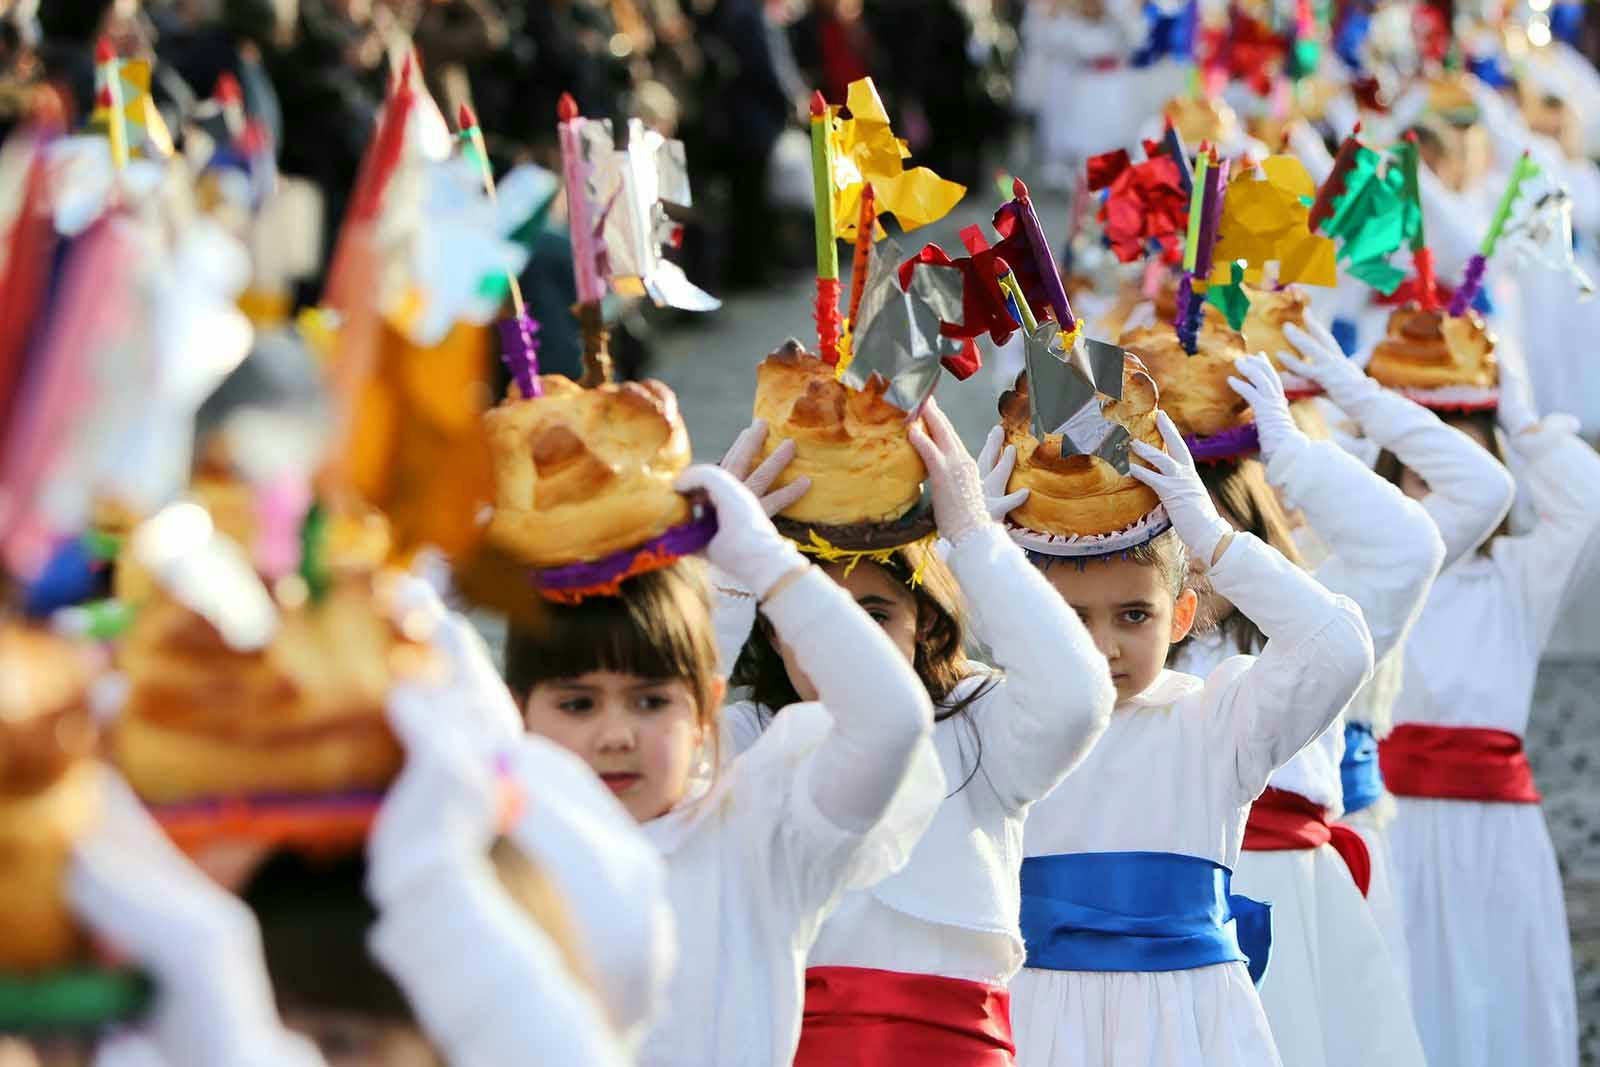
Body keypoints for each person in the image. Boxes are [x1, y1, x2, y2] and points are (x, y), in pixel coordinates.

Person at [715, 401, 1116, 1066]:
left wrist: (975, 539)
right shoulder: (745, 735)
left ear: (925, 623)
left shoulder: (977, 721)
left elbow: (1077, 698)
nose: (843, 644)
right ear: (772, 627)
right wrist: (727, 581)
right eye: (812, 612)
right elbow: (660, 746)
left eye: (874, 614)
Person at [509, 464, 943, 1067]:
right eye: (577, 704)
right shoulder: (486, 841)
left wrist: (767, 565)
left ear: (708, 709)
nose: (615, 735)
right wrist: (438, 577)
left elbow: (891, 719)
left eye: (651, 702)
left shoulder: (762, 838)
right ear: (516, 711)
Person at [1001, 409, 1376, 1067]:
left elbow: (1339, 648)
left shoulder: (1216, 718)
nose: (1103, 644)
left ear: (1180, 616)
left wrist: (1212, 536)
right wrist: (968, 549)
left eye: (1134, 614)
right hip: (1041, 1020)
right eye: (1070, 616)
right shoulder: (999, 718)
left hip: (1192, 1026)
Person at [1169, 347, 1447, 1067]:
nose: (1189, 551)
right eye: (1170, 527)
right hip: (1170, 914)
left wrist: (1291, 455)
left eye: (1208, 524)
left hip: (1296, 898)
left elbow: (1410, 548)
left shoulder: (1316, 621)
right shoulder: (1125, 650)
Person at [1379, 389, 1600, 1067]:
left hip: (1497, 833)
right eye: (1426, 474)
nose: (1451, 494)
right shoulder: (1371, 575)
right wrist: (1385, 397)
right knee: (1403, 990)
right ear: (1392, 481)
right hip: (1393, 828)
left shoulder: (1517, 577)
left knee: (1499, 993)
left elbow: (1584, 501)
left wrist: (1521, 415)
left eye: (1468, 471)